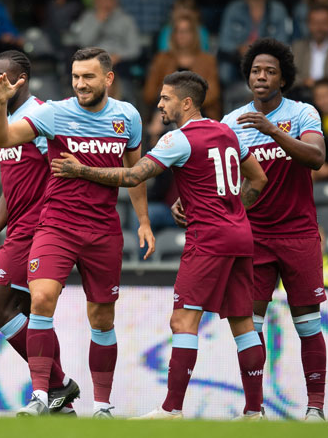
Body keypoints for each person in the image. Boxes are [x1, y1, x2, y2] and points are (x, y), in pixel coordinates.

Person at [51, 70, 269, 420]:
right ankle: (254, 411)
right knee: (243, 322)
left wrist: (81, 170)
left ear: (185, 102)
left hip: (209, 239)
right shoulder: (227, 132)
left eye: (165, 98)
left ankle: (171, 409)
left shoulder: (178, 139)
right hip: (240, 235)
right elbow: (259, 178)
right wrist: (229, 208)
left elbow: (134, 175)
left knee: (183, 321)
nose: (159, 104)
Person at [0, 47, 154, 418]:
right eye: (76, 76)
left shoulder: (127, 117)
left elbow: (136, 173)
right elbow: (1, 140)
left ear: (108, 79)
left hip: (103, 230)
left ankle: (102, 405)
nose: (80, 84)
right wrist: (0, 106)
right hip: (57, 225)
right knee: (41, 300)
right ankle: (41, 396)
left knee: (102, 319)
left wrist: (143, 220)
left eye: (88, 77)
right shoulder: (54, 112)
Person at [174, 38, 328, 421]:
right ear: (247, 76)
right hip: (252, 236)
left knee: (307, 322)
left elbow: (317, 159)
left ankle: (316, 409)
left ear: (283, 78)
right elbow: (214, 175)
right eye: (256, 70)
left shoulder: (303, 113)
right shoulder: (231, 122)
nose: (262, 76)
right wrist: (190, 200)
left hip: (298, 234)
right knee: (249, 323)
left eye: (270, 71)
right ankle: (254, 410)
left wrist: (272, 131)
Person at [0, 50, 79, 416]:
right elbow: (11, 185)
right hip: (16, 227)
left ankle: (58, 384)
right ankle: (60, 398)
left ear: (22, 80)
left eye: (2, 77)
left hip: (39, 227)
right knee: (29, 313)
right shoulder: (8, 120)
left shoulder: (40, 117)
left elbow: (61, 168)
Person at [142, 11, 221, 120]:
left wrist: (185, 104)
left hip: (199, 111)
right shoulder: (161, 59)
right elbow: (149, 93)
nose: (181, 35)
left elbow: (213, 93)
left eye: (186, 31)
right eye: (178, 31)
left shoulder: (208, 60)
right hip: (166, 111)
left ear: (194, 34)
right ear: (173, 35)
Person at [218, 0, 290, 86]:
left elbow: (283, 42)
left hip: (269, 60)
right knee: (225, 71)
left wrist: (261, 50)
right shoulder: (233, 9)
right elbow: (224, 42)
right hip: (238, 60)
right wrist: (239, 48)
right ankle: (236, 97)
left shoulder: (278, 10)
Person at [71, 0, 141, 67]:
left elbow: (135, 49)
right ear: (94, 1)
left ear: (114, 0)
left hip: (120, 62)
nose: (103, 2)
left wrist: (118, 56)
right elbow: (83, 43)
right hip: (93, 61)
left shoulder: (126, 20)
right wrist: (98, 22)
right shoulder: (87, 17)